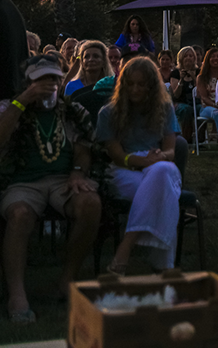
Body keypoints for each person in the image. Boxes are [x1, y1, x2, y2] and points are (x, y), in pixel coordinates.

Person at [0, 57, 101, 324]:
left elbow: (84, 145)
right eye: (41, 79)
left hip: (62, 180)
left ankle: (67, 279)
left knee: (90, 203)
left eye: (53, 79)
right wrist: (23, 100)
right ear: (29, 83)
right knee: (20, 214)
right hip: (21, 181)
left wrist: (78, 170)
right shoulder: (10, 107)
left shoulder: (72, 110)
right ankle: (17, 294)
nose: (49, 84)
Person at [96, 57, 182, 274]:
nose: (135, 89)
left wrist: (160, 155)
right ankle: (164, 264)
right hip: (124, 168)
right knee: (164, 192)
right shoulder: (108, 113)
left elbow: (172, 151)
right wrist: (140, 161)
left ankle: (125, 248)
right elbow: (116, 155)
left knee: (161, 173)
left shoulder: (163, 109)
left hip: (158, 163)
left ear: (151, 86)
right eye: (131, 84)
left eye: (141, 84)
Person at [169, 46, 198, 142]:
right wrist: (181, 80)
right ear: (181, 58)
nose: (188, 58)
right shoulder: (175, 73)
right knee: (187, 110)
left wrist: (194, 79)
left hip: (196, 102)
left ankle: (200, 139)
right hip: (180, 103)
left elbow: (200, 92)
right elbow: (176, 95)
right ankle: (187, 139)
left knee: (201, 109)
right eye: (186, 56)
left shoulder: (199, 72)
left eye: (191, 56)